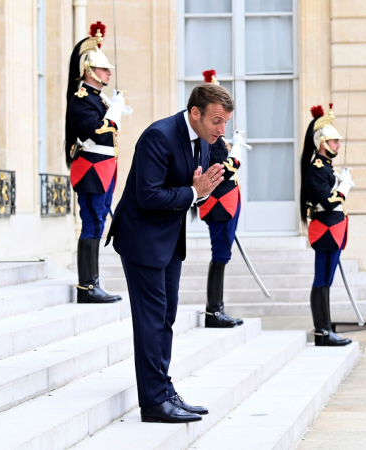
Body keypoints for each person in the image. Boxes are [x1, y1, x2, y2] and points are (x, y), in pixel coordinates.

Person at [105, 83, 230, 423]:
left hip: (169, 241)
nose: (221, 130)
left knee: (165, 318)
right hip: (142, 240)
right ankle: (154, 403)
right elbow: (148, 196)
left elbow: (198, 189)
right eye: (217, 121)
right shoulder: (158, 136)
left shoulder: (205, 141)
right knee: (151, 321)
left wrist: (202, 190)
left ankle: (164, 390)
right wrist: (193, 192)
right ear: (195, 113)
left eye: (225, 123)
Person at [65, 21, 131, 304]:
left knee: (98, 222)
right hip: (91, 169)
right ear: (90, 71)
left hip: (103, 168)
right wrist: (113, 112)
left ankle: (92, 283)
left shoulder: (98, 98)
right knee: (92, 223)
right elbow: (92, 130)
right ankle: (86, 286)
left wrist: (111, 106)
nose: (109, 73)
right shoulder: (82, 98)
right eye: (104, 69)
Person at [299, 104, 354, 347]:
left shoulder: (326, 169)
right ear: (323, 142)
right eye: (334, 142)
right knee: (322, 280)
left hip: (333, 230)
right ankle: (322, 331)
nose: (338, 145)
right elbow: (329, 203)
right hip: (326, 231)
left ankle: (325, 329)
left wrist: (339, 180)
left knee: (326, 280)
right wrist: (344, 187)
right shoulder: (316, 169)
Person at [196, 70, 246, 328]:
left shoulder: (217, 137)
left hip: (225, 203)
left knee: (222, 254)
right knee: (220, 255)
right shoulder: (210, 138)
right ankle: (214, 311)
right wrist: (235, 154)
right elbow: (221, 170)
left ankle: (217, 309)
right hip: (219, 204)